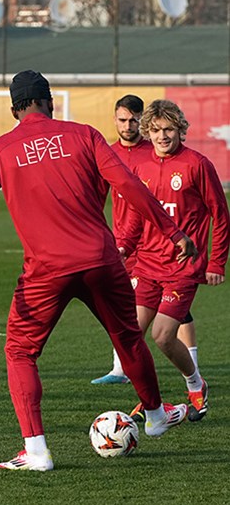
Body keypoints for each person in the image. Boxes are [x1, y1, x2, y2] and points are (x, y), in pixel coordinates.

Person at [0, 70, 195, 471]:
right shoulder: (83, 134)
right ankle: (157, 416)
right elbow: (128, 184)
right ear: (50, 101)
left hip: (45, 270)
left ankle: (36, 452)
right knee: (128, 337)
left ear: (13, 108)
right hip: (102, 261)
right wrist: (171, 229)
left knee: (20, 351)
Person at [118, 99, 228, 423]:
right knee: (130, 336)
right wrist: (124, 246)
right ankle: (152, 403)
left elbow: (221, 216)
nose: (162, 136)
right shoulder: (140, 167)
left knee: (163, 335)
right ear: (147, 132)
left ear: (180, 129)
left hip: (183, 266)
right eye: (155, 130)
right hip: (148, 265)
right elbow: (139, 215)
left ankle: (196, 384)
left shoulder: (197, 164)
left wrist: (217, 263)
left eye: (168, 129)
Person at [92, 95, 197, 384]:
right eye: (122, 119)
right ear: (115, 119)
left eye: (133, 119)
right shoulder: (108, 153)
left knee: (177, 312)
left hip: (161, 245)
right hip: (126, 242)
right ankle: (120, 369)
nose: (128, 125)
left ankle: (193, 369)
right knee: (128, 311)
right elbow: (97, 198)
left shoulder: (154, 152)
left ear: (142, 121)